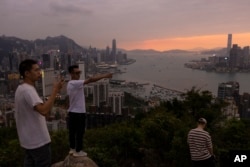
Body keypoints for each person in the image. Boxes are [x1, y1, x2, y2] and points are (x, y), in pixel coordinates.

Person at [14, 59, 64, 167]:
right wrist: (55, 90)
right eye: (36, 70)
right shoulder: (28, 90)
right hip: (38, 142)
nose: (39, 72)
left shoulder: (21, 88)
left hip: (28, 142)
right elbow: (44, 111)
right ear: (27, 73)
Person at [67, 65, 112, 157]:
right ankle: (78, 151)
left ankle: (72, 149)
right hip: (79, 112)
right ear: (71, 74)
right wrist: (105, 76)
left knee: (72, 132)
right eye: (76, 73)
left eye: (79, 72)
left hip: (72, 112)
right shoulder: (75, 83)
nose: (79, 75)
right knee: (80, 132)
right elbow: (91, 79)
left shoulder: (70, 84)